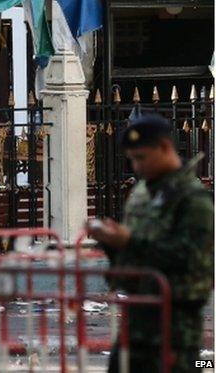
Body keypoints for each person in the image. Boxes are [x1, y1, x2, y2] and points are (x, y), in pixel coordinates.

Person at [87, 114, 213, 372]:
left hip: (176, 317)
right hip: (139, 311)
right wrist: (111, 241)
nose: (136, 166)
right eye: (132, 159)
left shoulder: (193, 199)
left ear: (165, 148)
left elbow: (188, 257)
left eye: (141, 158)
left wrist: (128, 240)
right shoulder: (143, 193)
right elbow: (133, 251)